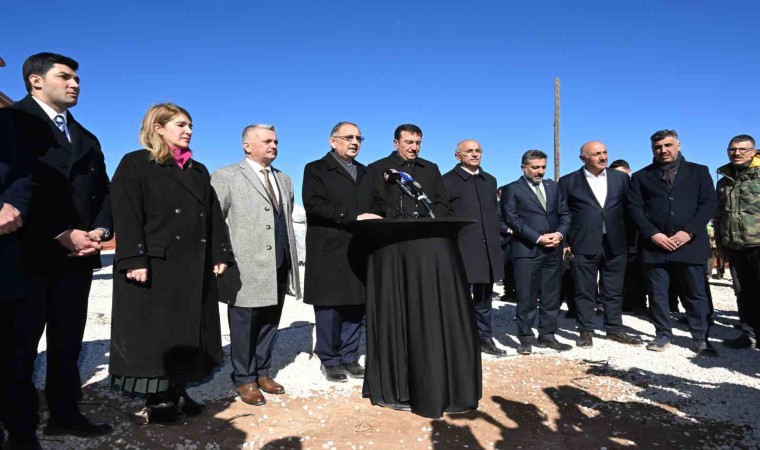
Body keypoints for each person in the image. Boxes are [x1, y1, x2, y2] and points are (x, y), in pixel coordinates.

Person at [4, 52, 113, 446]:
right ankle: (20, 429)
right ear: (35, 80)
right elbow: (21, 186)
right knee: (19, 348)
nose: (75, 84)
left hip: (77, 258)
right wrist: (60, 232)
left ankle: (65, 413)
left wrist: (99, 230)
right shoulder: (11, 122)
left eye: (77, 78)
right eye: (65, 76)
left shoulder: (86, 137)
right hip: (27, 254)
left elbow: (103, 191)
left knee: (67, 343)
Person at [109, 103, 232, 424]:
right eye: (180, 125)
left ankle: (178, 388)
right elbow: (126, 213)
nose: (188, 130)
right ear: (158, 128)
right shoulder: (136, 163)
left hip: (193, 263)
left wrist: (220, 253)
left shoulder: (198, 170)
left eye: (190, 125)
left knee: (187, 330)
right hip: (155, 263)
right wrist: (133, 258)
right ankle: (157, 398)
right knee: (157, 331)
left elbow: (213, 216)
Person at [211, 124, 301, 406]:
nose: (273, 145)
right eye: (267, 141)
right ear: (247, 146)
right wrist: (220, 256)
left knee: (270, 321)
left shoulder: (284, 179)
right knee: (244, 324)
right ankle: (244, 378)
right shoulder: (226, 176)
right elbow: (214, 221)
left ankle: (262, 372)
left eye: (276, 141)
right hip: (245, 264)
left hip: (279, 262)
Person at [302, 121, 384, 382]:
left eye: (359, 138)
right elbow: (314, 204)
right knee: (329, 306)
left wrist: (375, 216)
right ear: (332, 140)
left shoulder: (366, 172)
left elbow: (379, 202)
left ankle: (349, 356)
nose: (355, 142)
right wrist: (352, 217)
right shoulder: (316, 169)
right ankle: (329, 359)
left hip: (360, 246)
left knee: (356, 304)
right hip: (329, 247)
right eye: (348, 137)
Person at [627, 129, 717, 356]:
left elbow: (708, 204)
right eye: (658, 147)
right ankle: (662, 334)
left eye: (668, 145)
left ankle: (700, 338)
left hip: (689, 244)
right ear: (652, 149)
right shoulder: (641, 176)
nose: (663, 150)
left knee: (695, 293)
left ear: (678, 145)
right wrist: (652, 234)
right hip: (655, 246)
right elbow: (634, 209)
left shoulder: (699, 171)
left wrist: (689, 232)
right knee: (657, 294)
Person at [559, 142, 642, 348]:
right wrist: (565, 242)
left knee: (613, 289)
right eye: (597, 154)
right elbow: (563, 213)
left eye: (605, 152)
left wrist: (632, 240)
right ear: (583, 158)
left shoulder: (621, 178)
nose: (603, 157)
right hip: (583, 242)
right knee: (584, 289)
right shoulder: (568, 181)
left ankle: (614, 329)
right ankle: (585, 331)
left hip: (616, 242)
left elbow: (631, 209)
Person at [501, 150, 572, 355]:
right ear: (524, 168)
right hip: (527, 250)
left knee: (551, 295)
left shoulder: (554, 187)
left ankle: (547, 335)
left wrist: (559, 234)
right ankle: (525, 338)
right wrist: (538, 238)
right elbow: (512, 219)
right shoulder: (512, 189)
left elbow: (565, 214)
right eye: (535, 167)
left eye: (543, 167)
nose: (540, 171)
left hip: (553, 249)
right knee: (526, 296)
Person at [443, 139, 505, 356]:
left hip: (487, 249)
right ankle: (457, 342)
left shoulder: (490, 180)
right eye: (469, 151)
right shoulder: (447, 181)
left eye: (478, 150)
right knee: (457, 299)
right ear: (458, 156)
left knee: (484, 299)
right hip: (461, 249)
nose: (474, 154)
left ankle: (484, 338)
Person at [0, 110, 36, 449]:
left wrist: (11, 204)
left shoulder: (4, 125)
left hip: (3, 252)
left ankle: (21, 432)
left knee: (12, 353)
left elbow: (23, 174)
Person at [714, 134, 759, 350]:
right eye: (732, 149)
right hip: (734, 245)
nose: (737, 153)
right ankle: (750, 334)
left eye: (742, 149)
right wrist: (720, 242)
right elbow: (718, 215)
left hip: (758, 244)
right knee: (743, 291)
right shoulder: (724, 181)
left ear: (753, 151)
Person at [368, 124, 449, 218]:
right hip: (392, 225)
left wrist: (432, 221)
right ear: (396, 143)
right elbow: (376, 202)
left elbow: (442, 202)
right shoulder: (377, 168)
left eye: (418, 143)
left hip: (428, 226)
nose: (414, 148)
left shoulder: (431, 168)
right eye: (409, 142)